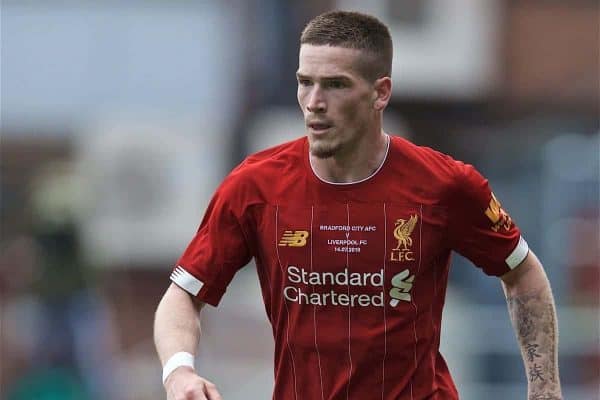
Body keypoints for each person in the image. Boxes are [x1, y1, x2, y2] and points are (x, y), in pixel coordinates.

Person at [154, 10, 562, 400]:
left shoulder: (445, 185)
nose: (313, 101)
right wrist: (179, 371)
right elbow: (183, 295)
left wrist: (544, 390)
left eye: (335, 84)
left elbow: (523, 272)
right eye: (305, 81)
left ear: (380, 92)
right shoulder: (255, 186)